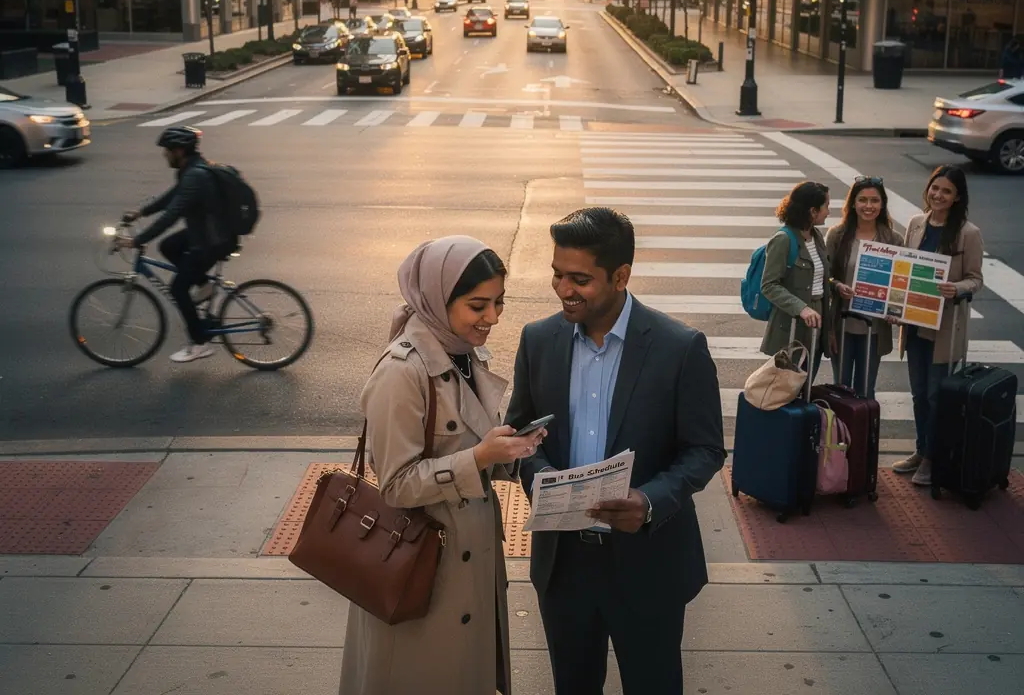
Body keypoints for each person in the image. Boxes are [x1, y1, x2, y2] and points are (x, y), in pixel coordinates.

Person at [505, 207, 726, 695]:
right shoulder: (538, 339)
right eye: (558, 275)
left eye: (579, 279)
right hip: (564, 566)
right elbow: (520, 433)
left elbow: (706, 449)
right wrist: (540, 478)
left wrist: (649, 502)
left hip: (647, 562)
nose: (564, 289)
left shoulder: (679, 347)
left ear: (621, 276)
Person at [340, 237, 542, 695]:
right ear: (436, 296)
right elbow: (395, 485)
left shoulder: (459, 352)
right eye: (478, 305)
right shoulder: (402, 371)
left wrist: (509, 452)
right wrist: (480, 458)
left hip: (465, 566)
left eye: (498, 303)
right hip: (417, 569)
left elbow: (469, 444)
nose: (492, 318)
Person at [892, 166, 984, 486]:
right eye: (935, 188)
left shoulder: (967, 233)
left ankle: (934, 458)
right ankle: (922, 450)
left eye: (946, 191)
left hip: (945, 325)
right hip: (915, 322)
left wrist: (956, 288)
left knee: (936, 396)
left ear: (957, 197)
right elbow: (904, 270)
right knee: (918, 395)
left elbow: (976, 279)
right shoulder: (917, 223)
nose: (938, 195)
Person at [117, 126, 234, 363]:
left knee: (178, 289)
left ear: (179, 150)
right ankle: (204, 284)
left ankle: (200, 342)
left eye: (167, 151)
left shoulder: (194, 176)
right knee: (169, 246)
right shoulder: (191, 169)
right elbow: (172, 197)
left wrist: (137, 240)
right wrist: (140, 213)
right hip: (207, 234)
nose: (164, 155)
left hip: (211, 242)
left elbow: (171, 214)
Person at [825, 176, 902, 398]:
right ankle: (842, 433)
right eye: (863, 200)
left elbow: (900, 282)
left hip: (874, 327)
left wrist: (897, 309)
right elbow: (824, 278)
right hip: (842, 325)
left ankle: (863, 432)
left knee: (866, 390)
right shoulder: (837, 235)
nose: (868, 206)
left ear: (882, 204)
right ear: (853, 203)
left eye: (875, 201)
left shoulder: (893, 239)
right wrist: (838, 285)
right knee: (841, 389)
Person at [760, 181, 832, 379]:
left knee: (807, 386)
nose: (829, 211)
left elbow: (817, 276)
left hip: (816, 324)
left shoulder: (815, 236)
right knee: (788, 390)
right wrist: (801, 308)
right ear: (812, 211)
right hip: (791, 326)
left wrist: (835, 285)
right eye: (826, 206)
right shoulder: (784, 239)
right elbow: (769, 285)